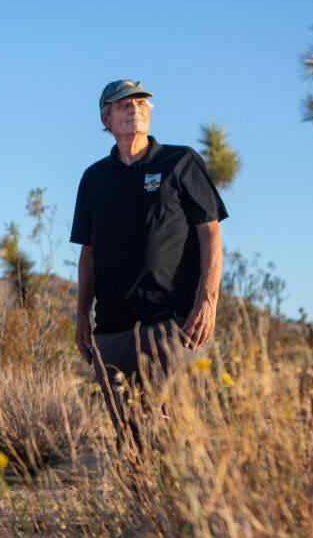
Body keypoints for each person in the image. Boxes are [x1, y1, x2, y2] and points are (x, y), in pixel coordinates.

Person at [71, 79, 227, 445]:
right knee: (130, 438)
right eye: (123, 104)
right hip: (112, 330)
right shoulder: (94, 178)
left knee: (175, 434)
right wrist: (81, 313)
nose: (134, 109)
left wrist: (207, 299)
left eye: (141, 103)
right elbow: (88, 251)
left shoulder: (180, 162)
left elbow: (210, 234)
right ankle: (139, 502)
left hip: (172, 324)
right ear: (105, 118)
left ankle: (184, 504)